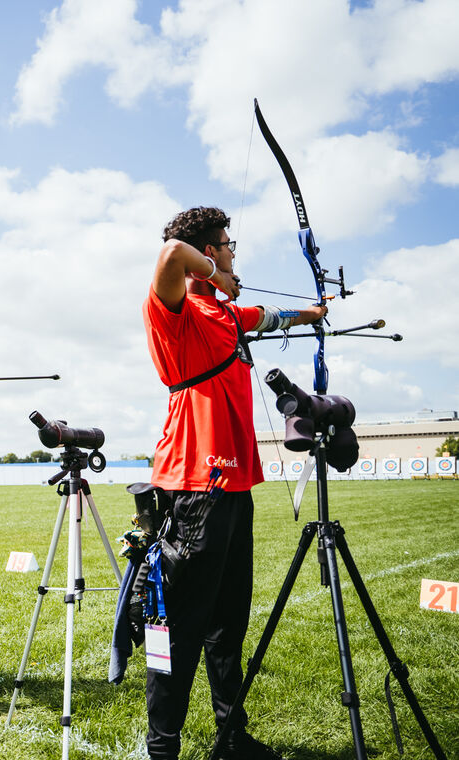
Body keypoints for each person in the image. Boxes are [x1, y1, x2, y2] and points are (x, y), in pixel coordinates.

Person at [140, 206, 327, 760]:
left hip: (235, 483)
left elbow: (269, 317)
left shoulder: (223, 315)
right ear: (208, 252)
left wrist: (310, 312)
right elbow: (172, 253)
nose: (233, 252)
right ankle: (162, 747)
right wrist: (212, 274)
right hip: (195, 481)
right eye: (226, 244)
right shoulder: (174, 307)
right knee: (178, 625)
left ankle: (231, 735)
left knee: (228, 622)